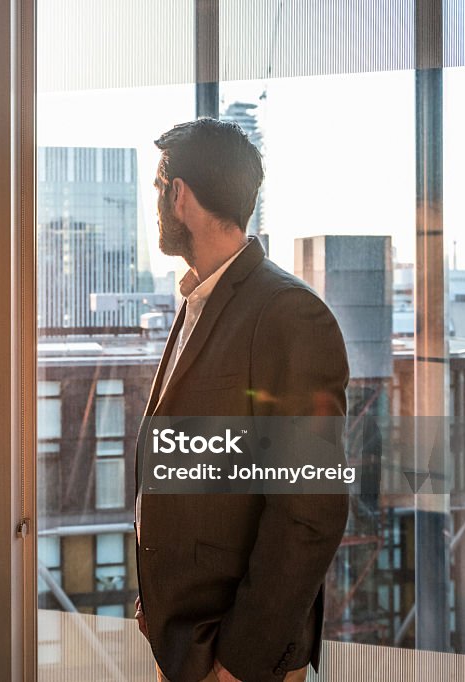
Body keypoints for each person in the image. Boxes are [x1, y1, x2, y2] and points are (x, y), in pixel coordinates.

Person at [134, 118, 350, 682]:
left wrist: (238, 662)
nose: (157, 201)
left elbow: (309, 510)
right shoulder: (200, 299)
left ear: (179, 193)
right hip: (185, 641)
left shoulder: (287, 313)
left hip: (235, 659)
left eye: (160, 186)